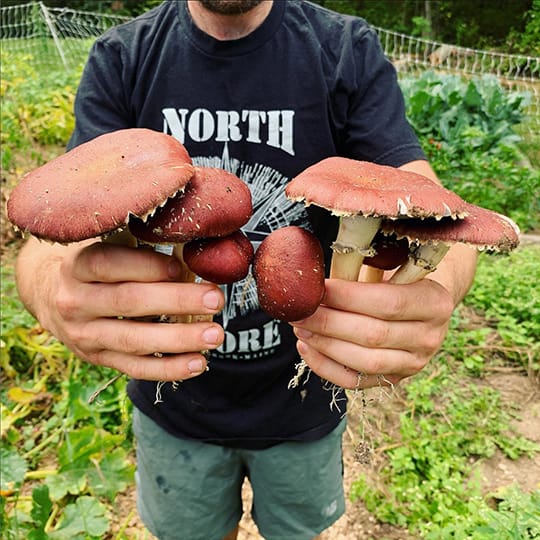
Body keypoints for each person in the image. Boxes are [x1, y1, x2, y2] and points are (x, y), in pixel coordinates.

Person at [14, 1, 478, 539]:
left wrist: (432, 289)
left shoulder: (344, 49)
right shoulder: (124, 56)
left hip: (307, 402)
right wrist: (51, 288)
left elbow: (438, 207)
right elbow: (57, 223)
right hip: (173, 407)